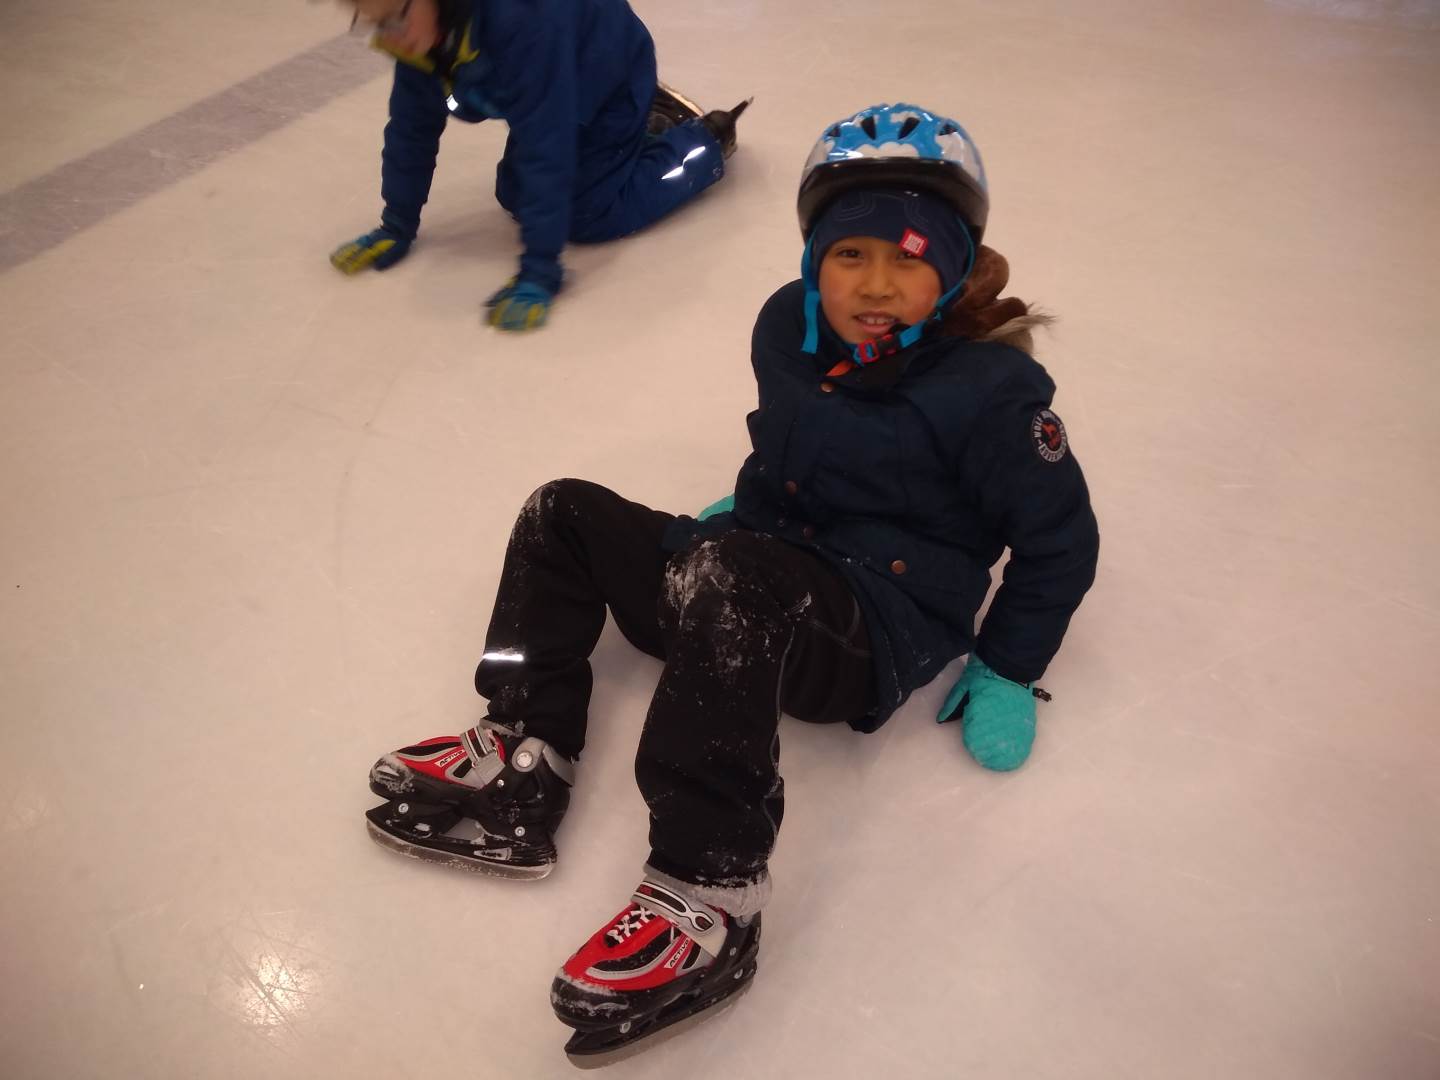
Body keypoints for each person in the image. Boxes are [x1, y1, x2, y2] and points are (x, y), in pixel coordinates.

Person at [363, 103, 1100, 1061]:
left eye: (911, 259)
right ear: (814, 258)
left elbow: (1061, 541)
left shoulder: (992, 397)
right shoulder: (786, 327)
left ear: (953, 268)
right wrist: (744, 515)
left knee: (734, 577)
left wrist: (1007, 665)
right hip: (749, 575)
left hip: (871, 625)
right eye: (850, 255)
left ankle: (713, 889)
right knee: (564, 511)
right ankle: (525, 745)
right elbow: (785, 448)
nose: (877, 284)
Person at [328, 0, 750, 330]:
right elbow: (410, 129)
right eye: (374, 24)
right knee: (514, 193)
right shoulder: (420, 34)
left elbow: (546, 148)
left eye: (395, 18)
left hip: (610, 79)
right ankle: (642, 127)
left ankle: (702, 141)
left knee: (588, 214)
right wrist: (396, 223)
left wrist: (539, 270)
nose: (391, 37)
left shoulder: (523, 24)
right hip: (556, 80)